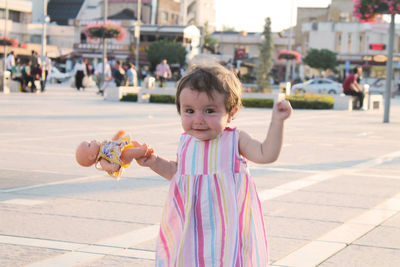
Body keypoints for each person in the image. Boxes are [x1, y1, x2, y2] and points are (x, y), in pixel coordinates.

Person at [135, 64, 292, 265]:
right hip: (192, 226)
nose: (198, 120)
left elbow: (266, 154)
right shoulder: (186, 141)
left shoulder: (235, 139)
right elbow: (179, 173)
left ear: (231, 112)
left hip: (227, 229)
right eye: (189, 111)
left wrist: (277, 122)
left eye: (209, 111)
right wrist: (154, 162)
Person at [76, 130, 153, 179]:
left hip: (121, 147)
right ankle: (142, 151)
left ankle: (142, 151)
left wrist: (118, 136)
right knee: (129, 153)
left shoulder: (104, 145)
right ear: (92, 156)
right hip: (121, 158)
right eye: (89, 144)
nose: (92, 141)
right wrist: (112, 167)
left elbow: (113, 141)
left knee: (133, 143)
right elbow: (107, 167)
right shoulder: (102, 159)